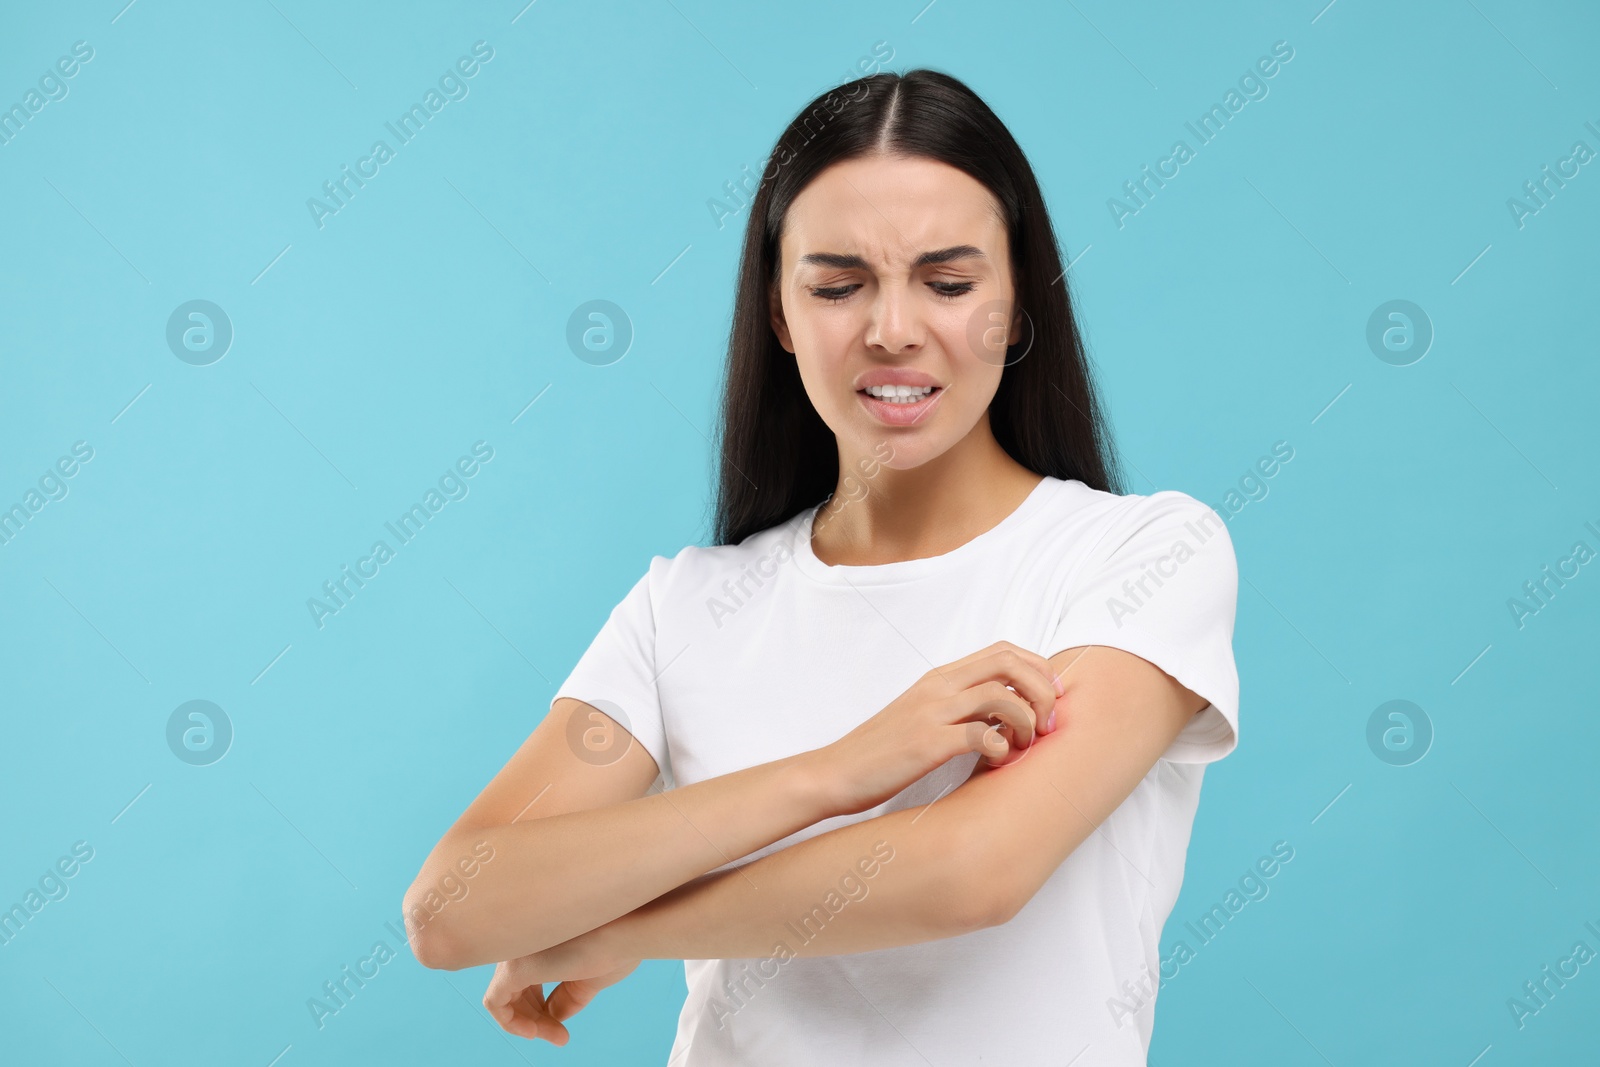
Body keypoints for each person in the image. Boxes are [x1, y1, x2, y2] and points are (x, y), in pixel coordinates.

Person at [404, 67, 1240, 1066]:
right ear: (778, 314)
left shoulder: (1139, 555)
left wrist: (619, 923)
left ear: (1018, 308)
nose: (892, 328)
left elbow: (973, 869)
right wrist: (840, 768)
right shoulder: (686, 605)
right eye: (838, 285)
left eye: (948, 281)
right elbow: (450, 909)